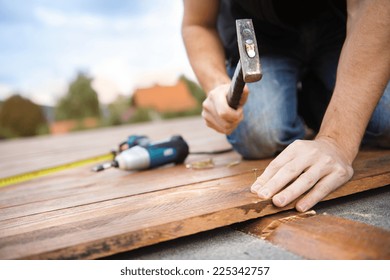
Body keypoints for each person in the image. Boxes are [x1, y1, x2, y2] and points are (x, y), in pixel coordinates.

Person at [182, 0, 390, 212]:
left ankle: (314, 97)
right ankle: (302, 101)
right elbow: (198, 24)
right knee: (260, 134)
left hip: (342, 28)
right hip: (264, 38)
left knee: (386, 118)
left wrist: (337, 141)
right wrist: (217, 85)